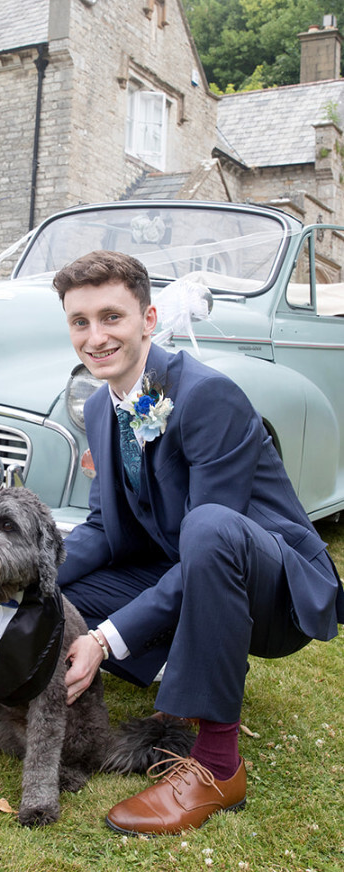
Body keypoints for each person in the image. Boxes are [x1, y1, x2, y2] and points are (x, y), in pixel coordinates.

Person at [52, 250, 344, 836]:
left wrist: (106, 641)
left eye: (112, 317)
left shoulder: (209, 396)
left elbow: (210, 542)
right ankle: (45, 695)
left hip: (273, 591)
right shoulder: (100, 406)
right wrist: (27, 576)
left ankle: (216, 767)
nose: (95, 336)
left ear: (149, 319)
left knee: (207, 527)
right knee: (62, 578)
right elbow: (106, 527)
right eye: (80, 322)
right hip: (189, 568)